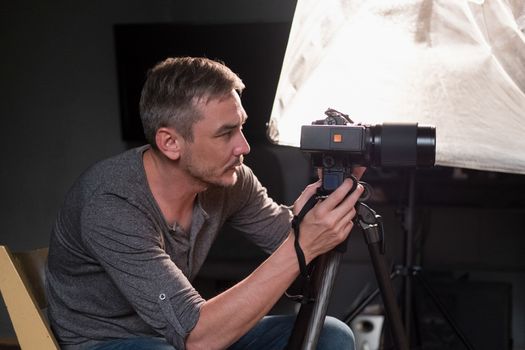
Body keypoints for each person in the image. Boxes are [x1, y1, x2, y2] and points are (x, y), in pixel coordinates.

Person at [45, 56, 365, 350]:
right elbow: (198, 337)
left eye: (241, 127)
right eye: (226, 133)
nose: (244, 146)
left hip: (177, 333)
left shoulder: (230, 181)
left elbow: (294, 241)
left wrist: (335, 187)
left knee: (331, 335)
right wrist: (302, 243)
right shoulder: (111, 205)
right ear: (170, 143)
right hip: (108, 342)